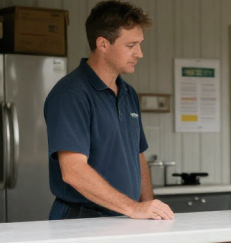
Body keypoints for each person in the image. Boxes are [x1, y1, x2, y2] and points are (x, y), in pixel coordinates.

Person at [44, 0, 174, 220]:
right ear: (103, 44)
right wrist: (133, 208)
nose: (139, 53)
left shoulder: (128, 93)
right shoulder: (70, 94)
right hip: (81, 219)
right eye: (131, 45)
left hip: (123, 218)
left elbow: (138, 156)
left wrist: (149, 209)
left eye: (140, 44)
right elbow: (73, 170)